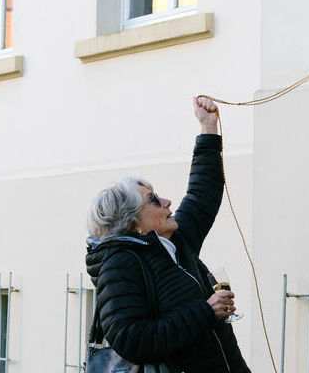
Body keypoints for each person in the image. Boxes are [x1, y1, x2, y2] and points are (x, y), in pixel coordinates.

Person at [85, 97, 250, 373]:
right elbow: (131, 339)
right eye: (153, 200)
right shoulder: (119, 265)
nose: (167, 201)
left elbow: (201, 195)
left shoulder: (173, 242)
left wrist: (208, 128)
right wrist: (205, 313)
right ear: (132, 222)